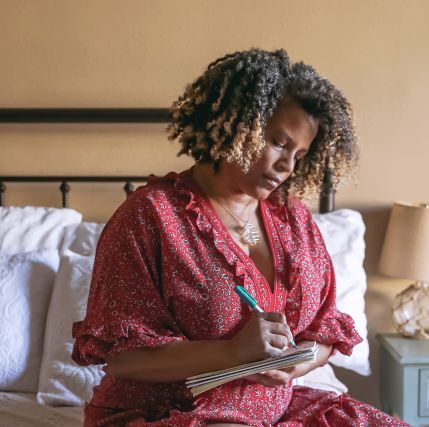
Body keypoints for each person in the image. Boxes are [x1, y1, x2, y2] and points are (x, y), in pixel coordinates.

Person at [72, 48, 408, 426]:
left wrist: (293, 365)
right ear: (234, 125)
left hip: (273, 409)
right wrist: (234, 352)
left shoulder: (293, 217)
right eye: (279, 143)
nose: (287, 166)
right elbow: (123, 358)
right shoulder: (151, 216)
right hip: (167, 413)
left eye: (300, 153)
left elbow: (324, 332)